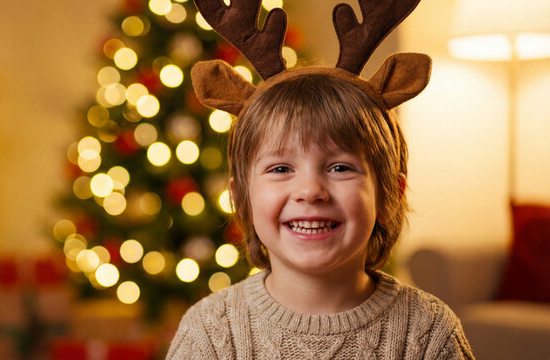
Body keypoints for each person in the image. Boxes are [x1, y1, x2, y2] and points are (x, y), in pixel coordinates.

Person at [168, 0, 475, 358]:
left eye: (340, 168)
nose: (310, 191)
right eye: (281, 169)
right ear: (242, 199)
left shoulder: (428, 331)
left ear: (390, 194)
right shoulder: (209, 332)